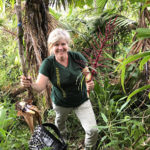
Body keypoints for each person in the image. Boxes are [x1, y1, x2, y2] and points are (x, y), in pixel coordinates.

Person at [21, 28, 98, 150]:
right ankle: (63, 143)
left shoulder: (76, 57)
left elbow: (87, 74)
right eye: (56, 44)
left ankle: (89, 148)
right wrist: (30, 84)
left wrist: (90, 83)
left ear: (67, 45)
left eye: (63, 44)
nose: (60, 47)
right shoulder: (48, 63)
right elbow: (40, 86)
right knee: (60, 127)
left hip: (82, 100)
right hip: (61, 102)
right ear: (51, 47)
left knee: (93, 130)